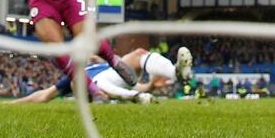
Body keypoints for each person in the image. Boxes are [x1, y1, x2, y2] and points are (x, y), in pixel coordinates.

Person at [12, 45, 189, 104]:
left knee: (138, 53)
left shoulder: (105, 64)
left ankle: (176, 72)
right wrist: (14, 103)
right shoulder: (77, 74)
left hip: (117, 80)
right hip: (98, 86)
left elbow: (134, 82)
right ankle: (136, 97)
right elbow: (44, 95)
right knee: (93, 83)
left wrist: (149, 86)